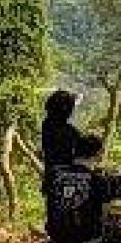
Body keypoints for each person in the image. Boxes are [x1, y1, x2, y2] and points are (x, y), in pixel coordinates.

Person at [45, 134, 116, 243]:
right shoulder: (98, 180)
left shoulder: (53, 176)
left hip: (57, 236)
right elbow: (105, 215)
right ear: (98, 155)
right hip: (86, 239)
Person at [40, 90, 83, 231]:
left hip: (53, 176)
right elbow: (80, 147)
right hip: (64, 177)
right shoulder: (67, 131)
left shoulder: (47, 125)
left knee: (55, 212)